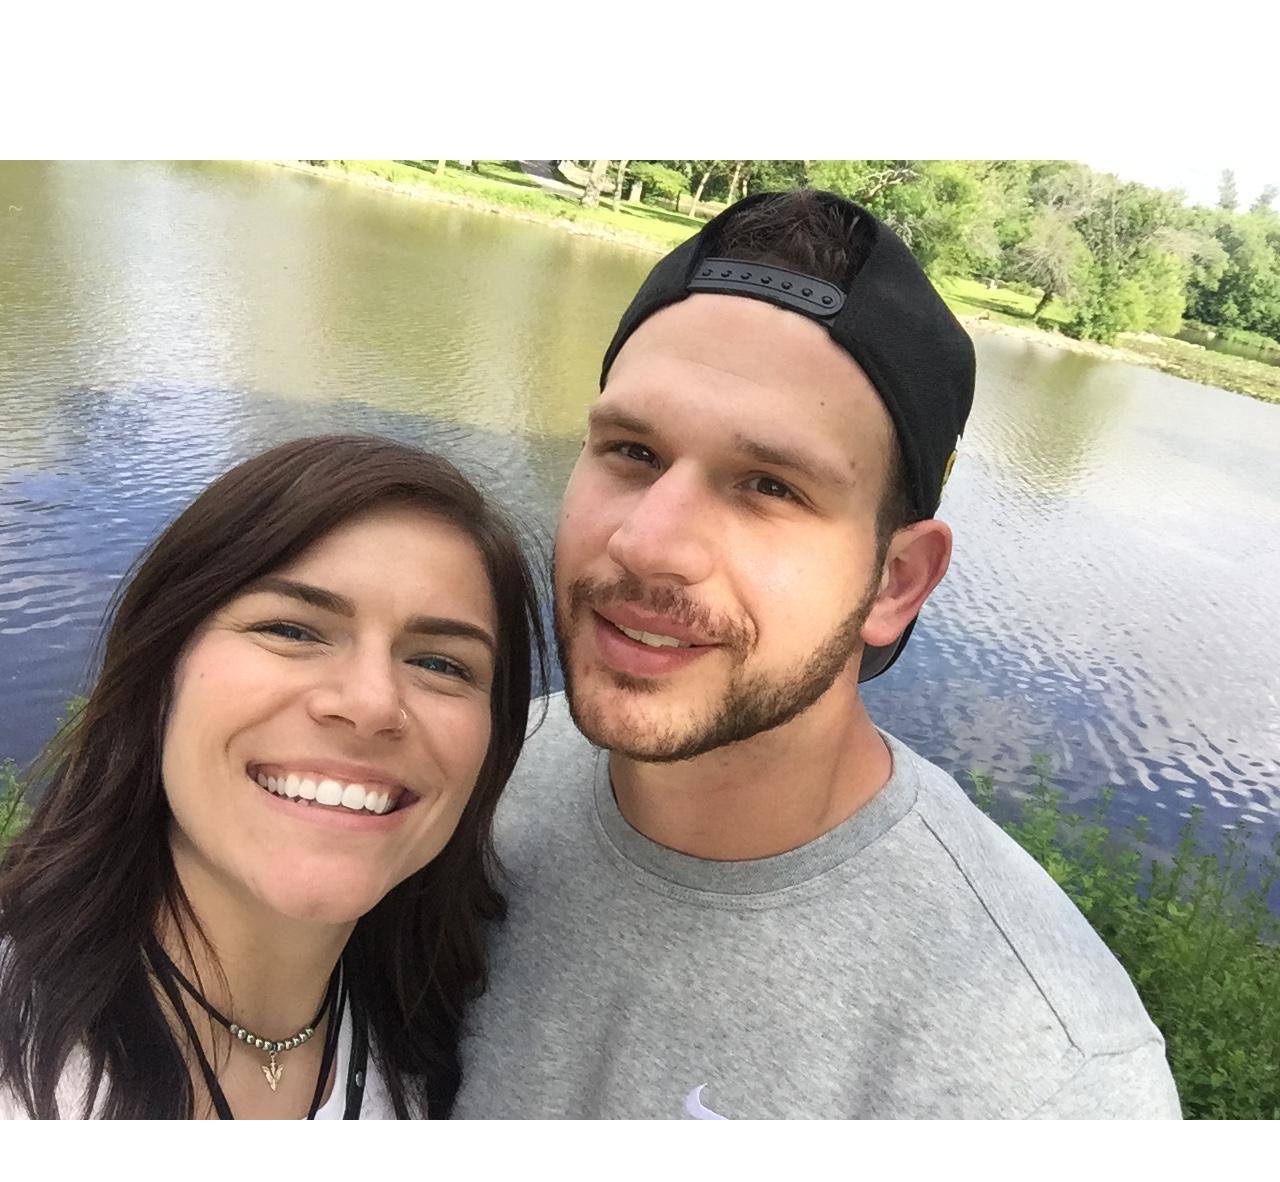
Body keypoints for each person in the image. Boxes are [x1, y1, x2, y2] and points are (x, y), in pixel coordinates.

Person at [453, 191, 1182, 1119]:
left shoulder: (1038, 1083)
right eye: (632, 450)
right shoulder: (480, 777)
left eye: (768, 485)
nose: (647, 542)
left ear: (896, 582)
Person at [0, 434, 545, 1119]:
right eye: (292, 629)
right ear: (158, 675)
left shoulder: (444, 1042)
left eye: (441, 664)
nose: (372, 704)